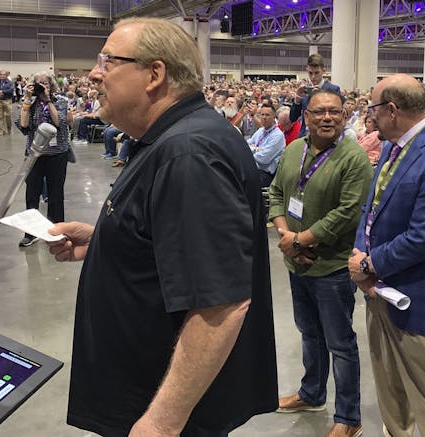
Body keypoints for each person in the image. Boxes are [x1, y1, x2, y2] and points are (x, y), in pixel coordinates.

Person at [46, 17, 277, 437]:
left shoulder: (188, 153)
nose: (94, 74)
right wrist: (106, 240)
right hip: (144, 385)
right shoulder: (171, 140)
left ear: (155, 74)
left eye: (108, 61)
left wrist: (163, 421)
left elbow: (219, 303)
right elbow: (179, 243)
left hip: (163, 410)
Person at [348, 74, 425, 437]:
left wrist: (369, 263)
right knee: (390, 386)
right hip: (380, 289)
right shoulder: (391, 147)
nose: (370, 116)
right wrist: (362, 259)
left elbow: (424, 238)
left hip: (420, 296)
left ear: (392, 110)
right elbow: (371, 210)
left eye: (373, 108)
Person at [269, 90, 372, 437]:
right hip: (298, 264)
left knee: (340, 344)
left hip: (332, 268)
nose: (327, 118)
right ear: (307, 117)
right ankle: (311, 393)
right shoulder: (294, 149)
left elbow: (345, 214)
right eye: (319, 112)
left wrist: (300, 240)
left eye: (334, 112)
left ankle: (349, 417)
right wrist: (287, 237)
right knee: (309, 333)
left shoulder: (353, 158)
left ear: (343, 116)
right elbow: (277, 194)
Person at [16, 72, 70, 247]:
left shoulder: (60, 100)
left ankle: (56, 230)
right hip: (35, 154)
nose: (42, 86)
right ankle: (30, 233)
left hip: (57, 154)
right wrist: (26, 101)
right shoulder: (29, 102)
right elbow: (24, 125)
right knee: (31, 194)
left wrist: (47, 100)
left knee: (56, 194)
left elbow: (59, 123)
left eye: (45, 83)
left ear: (51, 84)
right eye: (38, 83)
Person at [290, 53, 341, 137]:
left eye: (316, 73)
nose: (313, 77)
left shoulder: (334, 90)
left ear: (324, 71)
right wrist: (298, 99)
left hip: (324, 137)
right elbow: (293, 118)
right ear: (307, 70)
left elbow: (337, 118)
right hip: (304, 138)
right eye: (310, 73)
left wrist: (321, 97)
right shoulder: (304, 90)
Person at [247, 101, 285, 187]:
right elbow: (245, 145)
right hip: (252, 169)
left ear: (274, 117)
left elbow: (263, 158)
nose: (264, 117)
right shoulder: (261, 130)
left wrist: (252, 149)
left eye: (267, 115)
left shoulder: (278, 135)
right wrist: (255, 149)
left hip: (265, 175)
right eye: (262, 114)